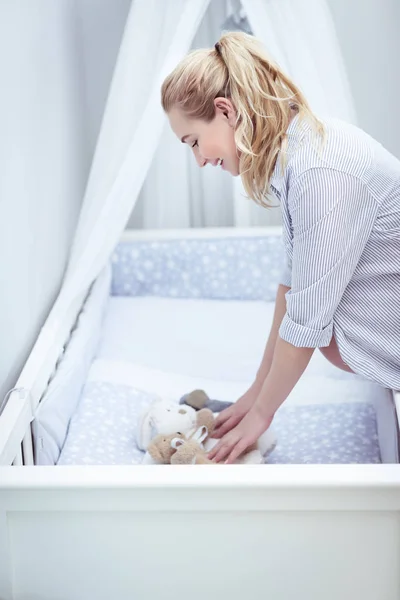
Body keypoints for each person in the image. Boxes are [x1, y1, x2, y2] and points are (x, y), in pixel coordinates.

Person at [161, 31, 400, 464]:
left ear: (225, 111)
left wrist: (262, 416)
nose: (199, 160)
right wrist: (254, 393)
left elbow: (306, 321)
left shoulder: (321, 170)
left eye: (194, 142)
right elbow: (290, 288)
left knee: (314, 324)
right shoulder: (293, 159)